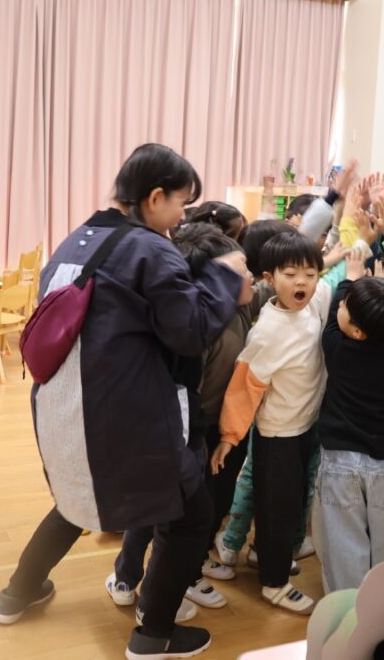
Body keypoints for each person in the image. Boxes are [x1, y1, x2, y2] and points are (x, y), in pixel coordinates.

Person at [0, 144, 246, 660]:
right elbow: (190, 331)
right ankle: (153, 637)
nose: (181, 217)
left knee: (74, 500)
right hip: (119, 413)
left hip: (63, 405)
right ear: (154, 197)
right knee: (189, 515)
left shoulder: (80, 238)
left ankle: (16, 594)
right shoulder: (148, 249)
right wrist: (225, 276)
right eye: (180, 204)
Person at [105, 223, 255, 616]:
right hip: (182, 434)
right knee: (160, 513)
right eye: (240, 270)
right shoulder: (196, 331)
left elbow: (289, 264)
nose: (251, 275)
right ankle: (130, 580)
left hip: (213, 431)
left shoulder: (243, 306)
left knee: (200, 512)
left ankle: (184, 575)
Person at [210, 232, 347, 615]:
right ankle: (274, 584)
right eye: (290, 274)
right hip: (278, 436)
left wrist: (359, 238)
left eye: (309, 274)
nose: (302, 282)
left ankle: (265, 556)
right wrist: (229, 437)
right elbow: (243, 389)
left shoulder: (310, 304)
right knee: (277, 511)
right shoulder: (268, 332)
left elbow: (332, 278)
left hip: (305, 427)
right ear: (270, 278)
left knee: (290, 505)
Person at [312, 249, 384, 592]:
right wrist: (376, 290)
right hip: (382, 461)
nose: (339, 305)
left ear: (357, 331)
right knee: (378, 536)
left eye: (345, 306)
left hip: (342, 460)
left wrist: (350, 278)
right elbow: (371, 320)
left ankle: (349, 611)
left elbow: (331, 321)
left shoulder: (337, 348)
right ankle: (375, 601)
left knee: (344, 540)